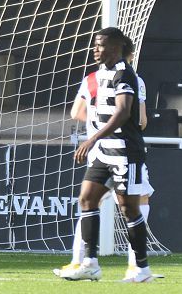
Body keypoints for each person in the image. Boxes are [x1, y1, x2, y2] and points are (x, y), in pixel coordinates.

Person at [56, 39, 158, 279]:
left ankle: (78, 261)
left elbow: (76, 113)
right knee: (136, 202)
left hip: (98, 150)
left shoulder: (90, 78)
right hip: (121, 149)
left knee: (91, 203)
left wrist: (95, 127)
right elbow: (141, 121)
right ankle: (135, 265)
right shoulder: (134, 79)